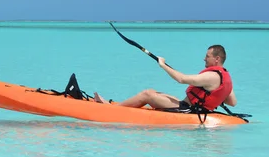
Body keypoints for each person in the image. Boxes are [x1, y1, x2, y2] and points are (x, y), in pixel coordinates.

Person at [93, 45, 237, 113]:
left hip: (189, 110)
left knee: (147, 95)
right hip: (190, 107)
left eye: (207, 56)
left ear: (217, 59)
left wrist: (162, 65)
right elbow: (232, 102)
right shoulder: (225, 77)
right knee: (153, 91)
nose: (204, 58)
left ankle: (113, 110)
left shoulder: (211, 76)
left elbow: (181, 79)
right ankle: (122, 106)